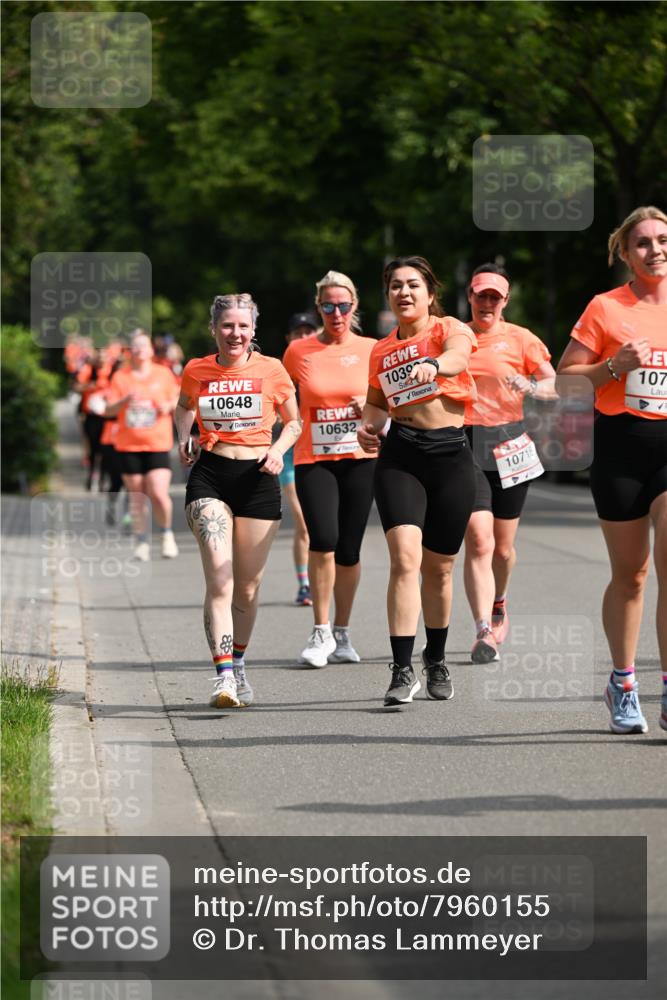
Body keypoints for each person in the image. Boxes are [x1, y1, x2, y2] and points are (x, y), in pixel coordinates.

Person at [557, 206, 667, 734]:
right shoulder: (605, 308)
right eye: (642, 243)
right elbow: (565, 382)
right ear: (625, 253)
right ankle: (623, 682)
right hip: (620, 447)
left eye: (663, 240)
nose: (655, 250)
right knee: (631, 575)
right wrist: (613, 367)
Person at [358, 255, 478, 707]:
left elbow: (459, 356)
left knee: (440, 567)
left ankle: (437, 658)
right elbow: (375, 407)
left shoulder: (449, 329)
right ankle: (401, 668)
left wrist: (436, 367)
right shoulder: (381, 349)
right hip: (401, 454)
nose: (403, 293)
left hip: (450, 454)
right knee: (405, 560)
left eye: (412, 285)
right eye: (394, 286)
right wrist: (366, 427)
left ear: (430, 293)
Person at [175, 293, 300, 709]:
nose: (235, 333)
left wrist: (280, 450)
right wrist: (183, 436)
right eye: (227, 325)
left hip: (259, 478)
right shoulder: (196, 370)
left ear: (253, 331)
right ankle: (223, 676)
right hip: (211, 476)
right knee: (221, 579)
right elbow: (183, 407)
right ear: (214, 329)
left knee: (246, 587)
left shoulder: (273, 370)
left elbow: (295, 422)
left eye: (243, 326)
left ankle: (239, 662)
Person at [463, 264, 556, 662]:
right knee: (478, 540)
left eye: (494, 297)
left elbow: (553, 384)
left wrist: (532, 386)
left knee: (502, 549)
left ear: (505, 301)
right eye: (480, 295)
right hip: (465, 441)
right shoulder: (456, 335)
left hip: (509, 442)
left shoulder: (521, 339)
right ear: (470, 296)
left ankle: (499, 601)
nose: (486, 303)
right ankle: (483, 629)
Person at [283, 273, 376, 667]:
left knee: (350, 550)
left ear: (354, 306)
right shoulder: (299, 351)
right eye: (327, 306)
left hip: (360, 458)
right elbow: (281, 400)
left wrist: (368, 409)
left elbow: (392, 405)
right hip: (313, 458)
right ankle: (319, 630)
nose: (336, 313)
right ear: (319, 307)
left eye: (343, 306)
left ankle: (342, 632)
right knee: (323, 538)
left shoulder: (374, 349)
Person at [104, 331, 180, 560]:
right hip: (129, 445)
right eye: (134, 346)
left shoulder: (163, 373)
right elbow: (108, 410)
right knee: (137, 496)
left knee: (157, 493)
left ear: (150, 350)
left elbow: (179, 398)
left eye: (143, 346)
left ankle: (167, 534)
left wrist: (168, 405)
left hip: (157, 442)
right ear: (130, 351)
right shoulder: (120, 377)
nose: (139, 350)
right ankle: (142, 541)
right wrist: (125, 400)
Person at [280, 313, 319, 606]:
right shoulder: (282, 371)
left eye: (309, 331)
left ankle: (323, 574)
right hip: (294, 454)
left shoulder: (322, 365)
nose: (303, 336)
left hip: (323, 451)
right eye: (298, 332)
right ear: (289, 339)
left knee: (322, 524)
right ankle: (304, 584)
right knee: (303, 522)